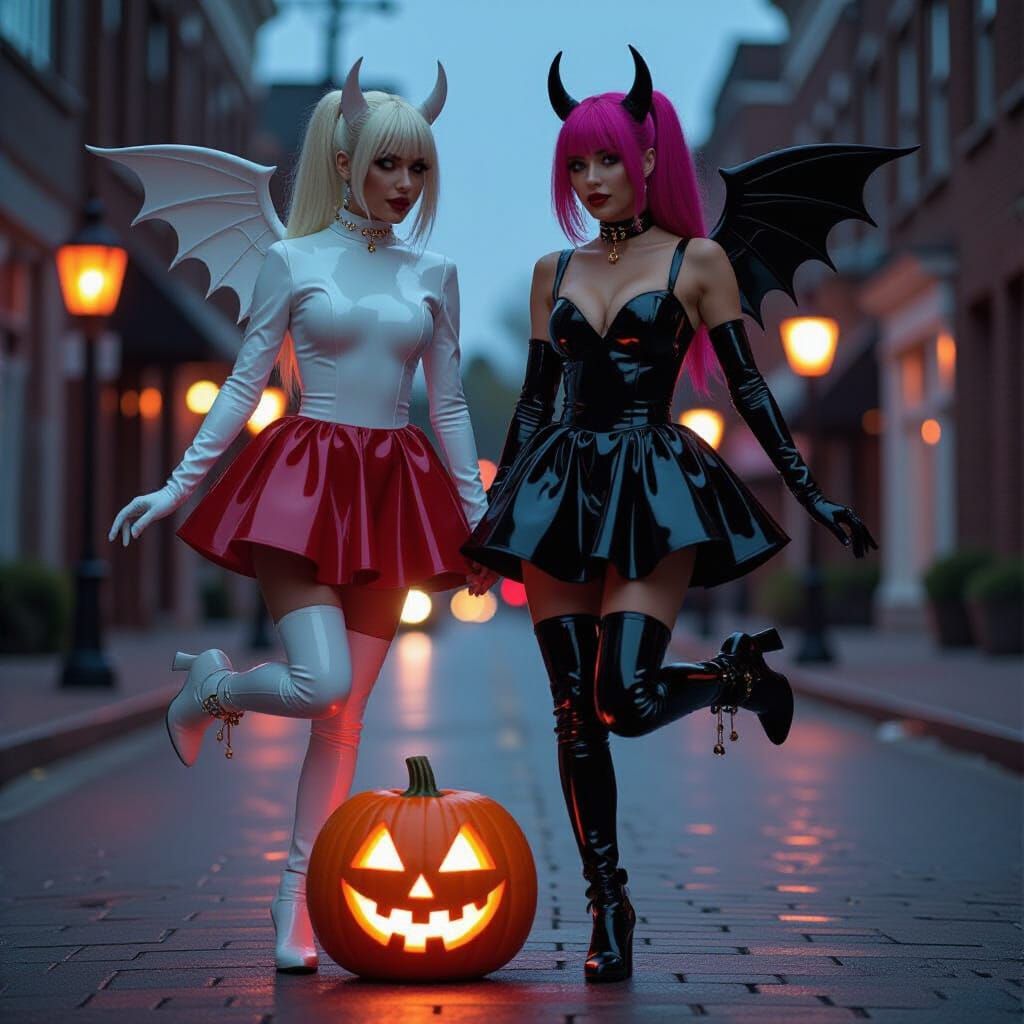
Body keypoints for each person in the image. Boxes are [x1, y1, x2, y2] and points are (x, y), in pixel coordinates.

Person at [462, 47, 878, 983]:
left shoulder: (701, 261)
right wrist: (491, 522)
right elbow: (532, 404)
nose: (593, 178)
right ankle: (610, 905)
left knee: (625, 698)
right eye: (577, 163)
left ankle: (734, 682)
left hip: (654, 486)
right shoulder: (551, 268)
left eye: (608, 159)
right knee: (574, 716)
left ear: (649, 160)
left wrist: (811, 490)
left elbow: (751, 391)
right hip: (560, 483)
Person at [104, 59, 496, 973]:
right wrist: (178, 483)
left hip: (392, 489)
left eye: (419, 171)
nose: (403, 187)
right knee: (319, 685)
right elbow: (247, 377)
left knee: (345, 719)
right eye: (389, 166)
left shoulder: (434, 271)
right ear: (349, 158)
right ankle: (213, 686)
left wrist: (480, 519)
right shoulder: (292, 257)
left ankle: (301, 907)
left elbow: (447, 408)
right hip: (302, 480)